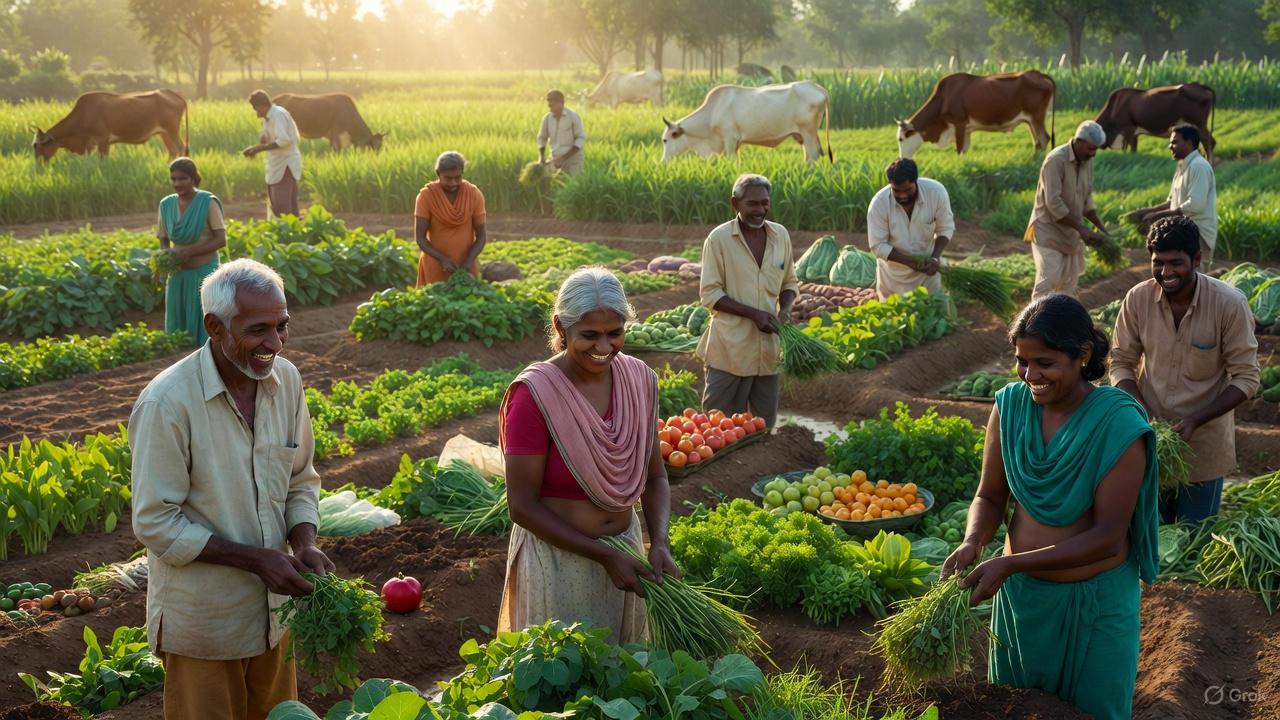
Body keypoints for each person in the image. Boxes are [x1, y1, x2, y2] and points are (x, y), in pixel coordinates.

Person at [129, 258, 333, 720]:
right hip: (206, 624)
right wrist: (255, 560)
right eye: (258, 329)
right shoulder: (167, 403)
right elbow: (155, 521)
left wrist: (305, 540)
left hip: (276, 618)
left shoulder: (288, 382)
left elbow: (300, 477)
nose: (275, 344)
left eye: (283, 326)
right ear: (214, 327)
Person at [940, 294, 1160, 720]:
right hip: (1022, 604)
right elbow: (990, 496)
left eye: (1044, 362)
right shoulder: (1010, 406)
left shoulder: (1118, 425)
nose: (1030, 375)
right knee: (1016, 708)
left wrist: (1011, 564)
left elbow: (1107, 537)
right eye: (1022, 361)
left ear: (1082, 355)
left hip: (1093, 606)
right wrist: (974, 542)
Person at [497, 267, 678, 642]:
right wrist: (602, 555)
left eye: (615, 334)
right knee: (562, 681)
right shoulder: (535, 396)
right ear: (561, 329)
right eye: (589, 336)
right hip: (560, 563)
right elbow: (522, 505)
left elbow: (656, 477)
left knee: (623, 678)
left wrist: (658, 542)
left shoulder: (639, 380)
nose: (603, 347)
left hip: (625, 556)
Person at [1110, 215, 1259, 523]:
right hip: (1148, 441)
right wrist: (1144, 414)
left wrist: (1195, 420)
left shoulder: (1228, 304)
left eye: (1176, 263)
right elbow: (1121, 363)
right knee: (1150, 539)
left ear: (1197, 259)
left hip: (1203, 448)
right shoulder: (1138, 299)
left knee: (1192, 541)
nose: (1166, 273)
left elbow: (1247, 377)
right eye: (1158, 262)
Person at [696, 173, 798, 429]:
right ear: (735, 204)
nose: (760, 210)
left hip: (768, 350)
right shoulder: (719, 240)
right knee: (717, 425)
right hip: (730, 348)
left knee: (763, 426)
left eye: (765, 203)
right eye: (752, 204)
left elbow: (789, 283)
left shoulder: (780, 235)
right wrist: (754, 314)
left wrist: (784, 309)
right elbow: (710, 294)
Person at [1025, 120, 1109, 300]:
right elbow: (1053, 202)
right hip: (1049, 232)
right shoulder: (1056, 160)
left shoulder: (1086, 161)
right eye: (1090, 149)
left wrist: (1101, 229)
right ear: (1078, 142)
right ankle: (1037, 326)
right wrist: (1083, 229)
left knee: (1068, 286)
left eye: (1096, 150)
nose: (1093, 154)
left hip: (1070, 234)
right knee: (1047, 285)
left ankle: (1062, 326)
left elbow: (1087, 198)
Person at [156, 157, 225, 347]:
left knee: (204, 322)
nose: (177, 183)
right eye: (173, 179)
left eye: (182, 178)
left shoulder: (207, 202)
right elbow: (163, 238)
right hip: (178, 274)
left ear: (193, 178)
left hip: (204, 273)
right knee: (177, 323)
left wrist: (190, 252)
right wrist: (166, 257)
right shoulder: (166, 205)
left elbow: (221, 239)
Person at [1127, 125, 1218, 271]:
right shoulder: (1182, 166)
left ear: (1189, 143)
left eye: (1174, 142)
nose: (1170, 146)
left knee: (1195, 281)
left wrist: (1158, 215)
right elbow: (1172, 202)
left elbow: (1195, 204)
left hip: (1197, 235)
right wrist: (1147, 211)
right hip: (1183, 232)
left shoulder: (1198, 166)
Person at [866, 157, 955, 301]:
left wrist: (935, 257)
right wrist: (911, 262)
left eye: (907, 190)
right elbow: (878, 246)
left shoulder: (936, 193)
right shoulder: (879, 204)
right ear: (890, 185)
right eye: (896, 191)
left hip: (927, 273)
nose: (902, 196)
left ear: (916, 181)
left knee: (931, 313)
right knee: (894, 318)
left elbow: (945, 228)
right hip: (893, 277)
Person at [414, 151, 488, 287]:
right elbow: (420, 238)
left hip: (466, 264)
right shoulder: (426, 196)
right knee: (435, 304)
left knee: (468, 303)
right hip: (436, 264)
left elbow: (482, 235)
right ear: (438, 175)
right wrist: (442, 259)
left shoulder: (473, 194)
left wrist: (469, 260)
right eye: (448, 178)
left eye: (458, 177)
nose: (453, 182)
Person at [242, 90, 302, 218]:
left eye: (256, 109)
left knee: (283, 205)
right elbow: (265, 138)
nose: (257, 114)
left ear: (262, 105)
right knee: (278, 203)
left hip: (285, 164)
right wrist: (254, 148)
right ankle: (290, 233)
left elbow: (284, 140)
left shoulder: (278, 115)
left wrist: (259, 149)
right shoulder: (268, 118)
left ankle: (288, 233)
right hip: (276, 164)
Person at [537, 90, 586, 176]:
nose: (550, 109)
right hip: (555, 160)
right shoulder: (547, 118)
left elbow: (581, 139)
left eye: (552, 105)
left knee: (571, 186)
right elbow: (542, 137)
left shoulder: (573, 116)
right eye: (549, 106)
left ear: (561, 103)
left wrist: (563, 159)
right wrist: (541, 157)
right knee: (554, 186)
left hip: (573, 162)